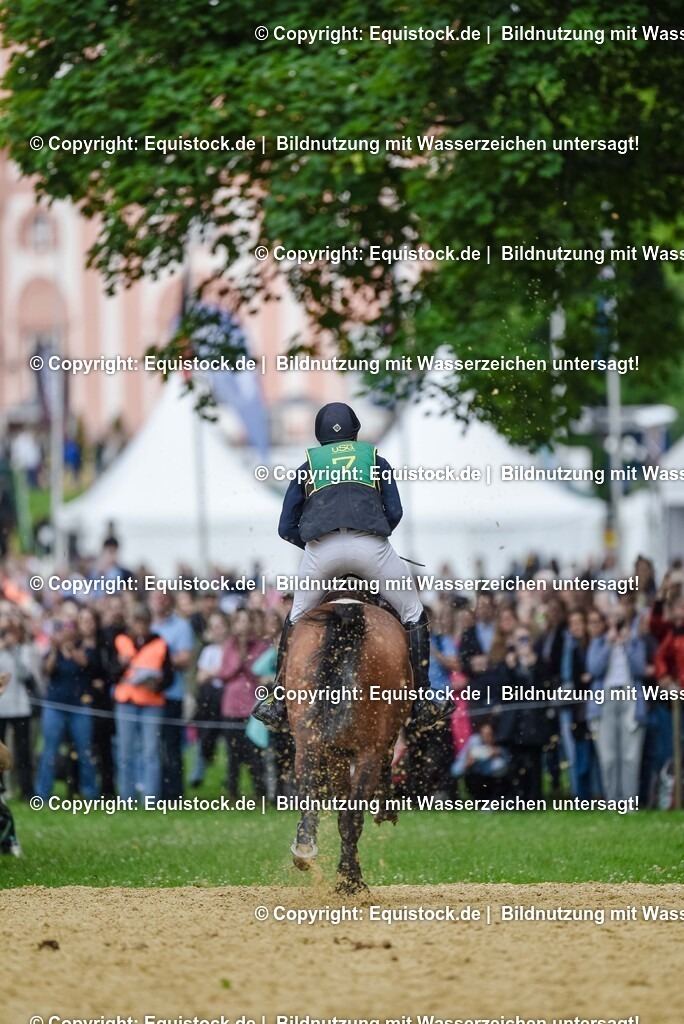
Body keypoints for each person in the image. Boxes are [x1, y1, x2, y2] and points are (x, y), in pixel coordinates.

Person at [253, 402, 453, 730]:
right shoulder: (375, 459)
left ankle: (278, 699)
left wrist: (319, 546)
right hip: (370, 548)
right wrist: (371, 538)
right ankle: (422, 700)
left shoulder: (308, 467)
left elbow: (286, 526)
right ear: (356, 432)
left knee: (296, 618)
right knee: (413, 614)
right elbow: (395, 512)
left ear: (320, 436)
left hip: (321, 551)